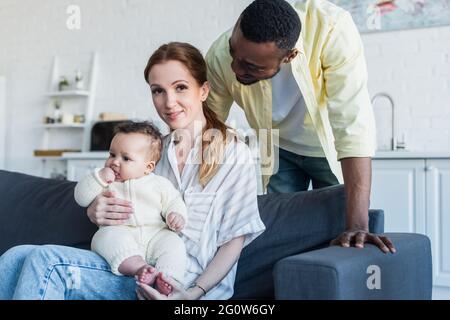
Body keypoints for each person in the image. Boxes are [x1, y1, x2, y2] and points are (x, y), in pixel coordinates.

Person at [0, 42, 265, 300]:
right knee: (15, 257)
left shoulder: (234, 154)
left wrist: (193, 294)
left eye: (180, 88)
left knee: (46, 262)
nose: (169, 102)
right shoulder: (149, 153)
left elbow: (233, 242)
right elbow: (112, 198)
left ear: (203, 90)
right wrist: (96, 209)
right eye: (158, 91)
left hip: (184, 284)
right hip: (133, 267)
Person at [204, 0, 395, 252]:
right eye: (233, 52)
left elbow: (352, 123)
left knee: (340, 235)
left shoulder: (332, 29)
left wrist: (359, 225)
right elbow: (209, 129)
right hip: (278, 148)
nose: (235, 68)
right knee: (277, 235)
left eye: (251, 66)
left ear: (290, 55)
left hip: (328, 149)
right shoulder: (220, 53)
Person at [74, 121, 188, 295]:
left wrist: (176, 215)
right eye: (112, 154)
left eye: (125, 158)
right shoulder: (106, 182)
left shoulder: (159, 184)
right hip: (120, 231)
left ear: (148, 167)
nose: (115, 162)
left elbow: (174, 201)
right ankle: (140, 269)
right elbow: (80, 197)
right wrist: (98, 178)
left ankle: (167, 278)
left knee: (174, 244)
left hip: (155, 234)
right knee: (104, 237)